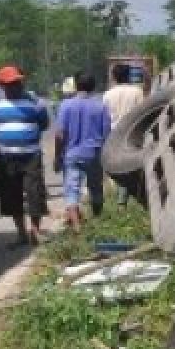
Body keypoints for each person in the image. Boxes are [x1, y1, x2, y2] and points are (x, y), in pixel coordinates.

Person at [0, 65, 49, 245]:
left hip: (31, 156)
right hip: (6, 157)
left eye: (18, 82)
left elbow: (43, 124)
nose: (16, 86)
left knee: (35, 193)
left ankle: (35, 232)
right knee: (11, 196)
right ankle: (21, 234)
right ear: (2, 86)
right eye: (11, 83)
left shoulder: (36, 103)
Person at [55, 70, 112, 231]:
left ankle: (77, 227)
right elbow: (107, 134)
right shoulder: (100, 106)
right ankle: (98, 222)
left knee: (71, 190)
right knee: (95, 188)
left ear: (76, 85)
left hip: (71, 154)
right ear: (93, 86)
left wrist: (57, 156)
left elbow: (60, 134)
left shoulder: (66, 105)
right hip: (94, 153)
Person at [101, 63, 145, 205]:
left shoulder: (108, 94)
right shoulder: (137, 91)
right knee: (131, 166)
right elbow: (142, 111)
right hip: (132, 132)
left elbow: (105, 117)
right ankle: (128, 198)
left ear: (114, 77)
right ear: (129, 76)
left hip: (113, 133)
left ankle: (120, 199)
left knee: (117, 167)